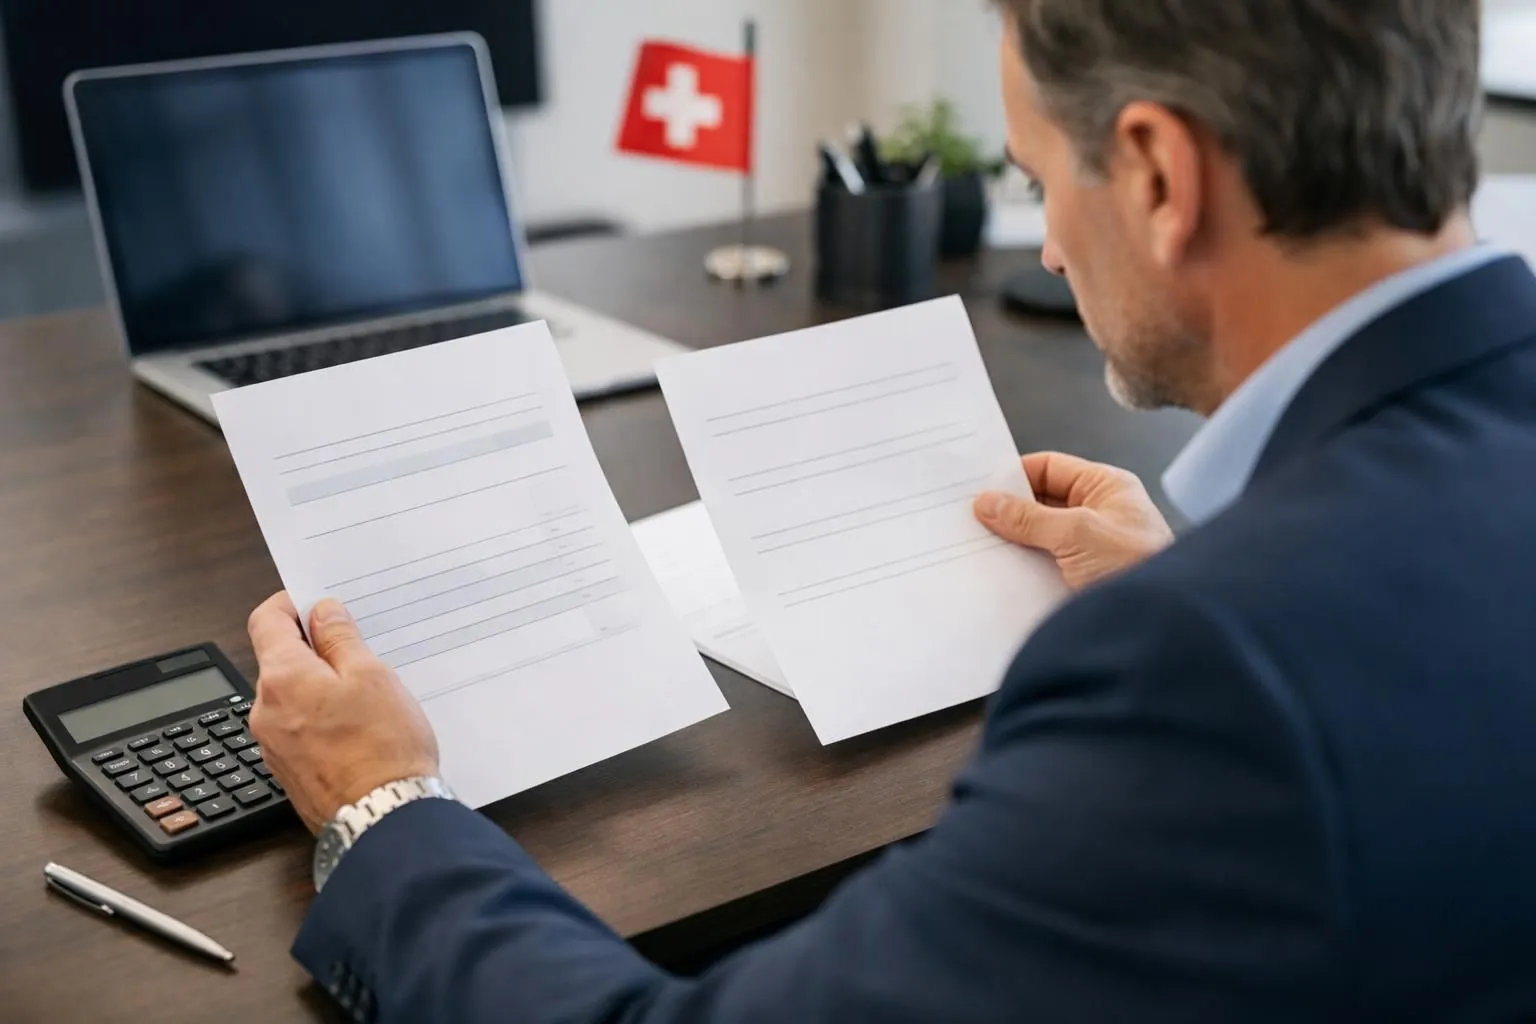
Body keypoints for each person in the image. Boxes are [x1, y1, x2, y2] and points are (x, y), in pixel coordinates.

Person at [246, 0, 1536, 1019]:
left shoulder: (1201, 677)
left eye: (1037, 178)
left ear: (1155, 173)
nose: (1048, 247)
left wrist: (383, 810)